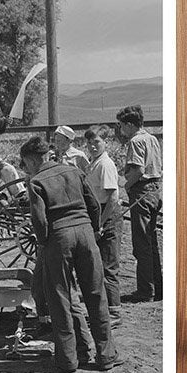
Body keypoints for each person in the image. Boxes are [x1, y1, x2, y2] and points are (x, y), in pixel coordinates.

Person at [20, 136, 119, 373]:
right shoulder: (74, 171)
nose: (26, 168)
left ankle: (68, 360)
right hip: (85, 233)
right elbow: (93, 204)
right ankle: (106, 356)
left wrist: (44, 242)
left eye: (25, 163)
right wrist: (93, 229)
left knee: (60, 297)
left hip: (59, 238)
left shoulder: (36, 181)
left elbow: (39, 219)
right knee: (96, 294)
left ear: (33, 160)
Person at [116, 104, 163, 302]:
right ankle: (158, 287)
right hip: (156, 190)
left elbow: (138, 170)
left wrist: (127, 186)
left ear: (128, 125)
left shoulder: (135, 142)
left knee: (141, 243)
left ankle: (145, 291)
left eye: (121, 125)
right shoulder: (152, 138)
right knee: (151, 242)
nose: (120, 130)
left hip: (141, 192)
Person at [82, 125, 122, 324]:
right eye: (89, 143)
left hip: (108, 214)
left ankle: (114, 312)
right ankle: (104, 310)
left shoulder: (105, 164)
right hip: (99, 212)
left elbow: (113, 197)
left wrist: (100, 224)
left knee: (108, 265)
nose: (92, 146)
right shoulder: (94, 163)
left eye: (96, 142)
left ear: (106, 143)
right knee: (99, 264)